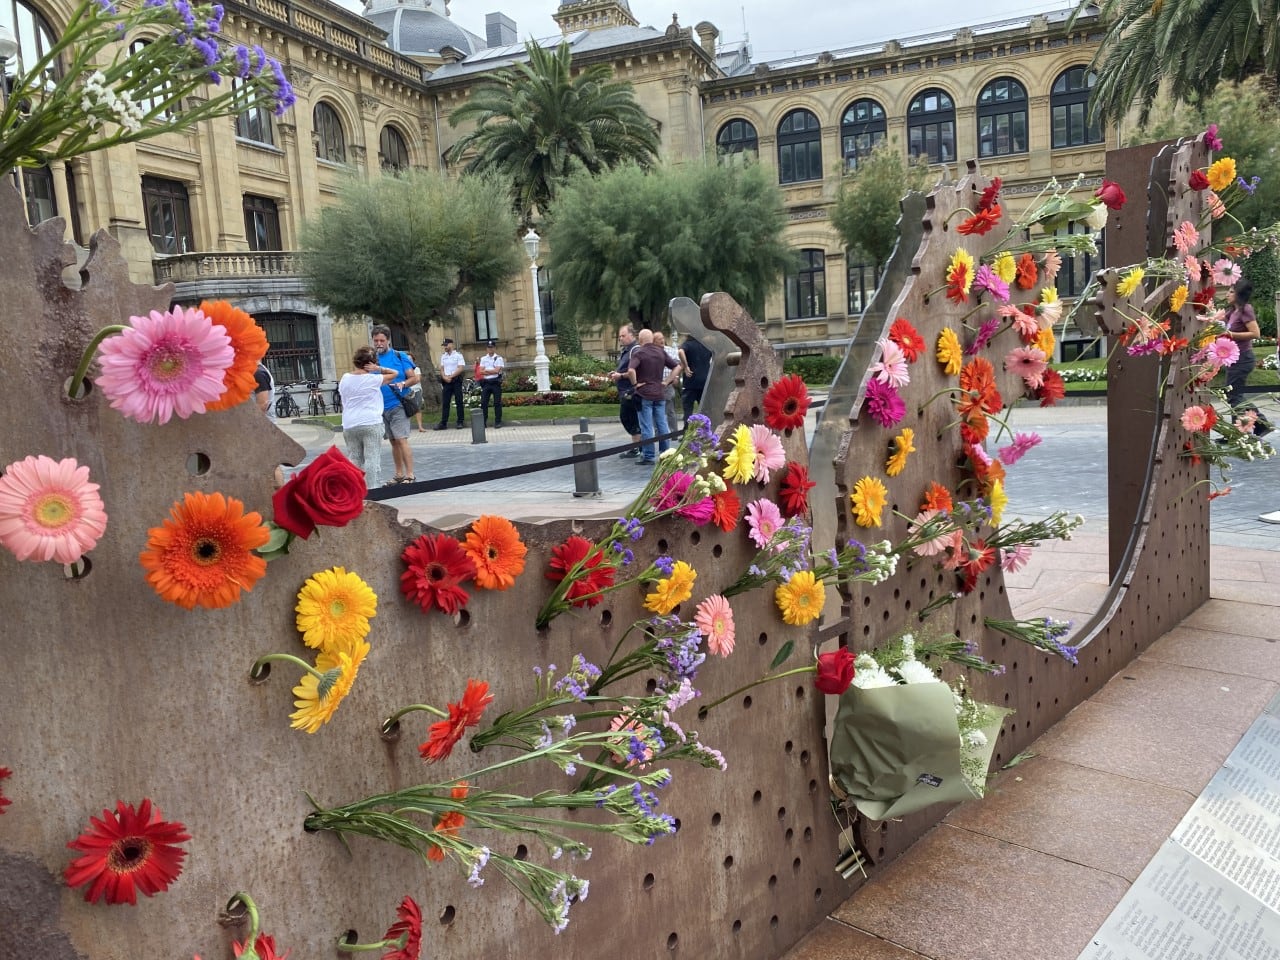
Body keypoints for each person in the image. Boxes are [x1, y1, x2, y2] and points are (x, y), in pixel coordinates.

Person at [340, 347, 400, 488]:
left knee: (354, 458)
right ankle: (372, 490)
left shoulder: (345, 378)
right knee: (371, 459)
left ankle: (354, 489)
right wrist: (378, 368)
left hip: (349, 423)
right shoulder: (373, 379)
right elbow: (395, 373)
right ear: (372, 363)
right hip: (370, 422)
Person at [370, 324, 419, 485]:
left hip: (398, 404)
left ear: (388, 340)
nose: (379, 344)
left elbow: (415, 378)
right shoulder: (372, 360)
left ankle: (410, 474)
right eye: (376, 340)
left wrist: (403, 384)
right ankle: (399, 474)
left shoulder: (399, 356)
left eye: (382, 340)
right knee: (393, 441)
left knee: (401, 439)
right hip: (380, 407)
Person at [627, 328, 680, 466]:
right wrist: (666, 381)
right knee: (662, 424)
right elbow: (677, 367)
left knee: (647, 426)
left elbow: (631, 370)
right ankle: (665, 454)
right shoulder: (661, 352)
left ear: (640, 340)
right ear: (651, 339)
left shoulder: (639, 353)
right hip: (659, 393)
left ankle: (649, 456)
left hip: (644, 394)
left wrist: (635, 384)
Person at [1224, 278, 1260, 414]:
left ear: (1240, 294)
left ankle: (1259, 424)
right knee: (1233, 395)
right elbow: (1217, 320)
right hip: (1234, 359)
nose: (1227, 294)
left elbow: (1255, 333)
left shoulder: (1246, 309)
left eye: (1232, 292)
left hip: (1243, 358)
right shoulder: (1232, 312)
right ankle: (1248, 429)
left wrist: (1230, 335)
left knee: (1234, 396)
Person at [608, 324, 642, 458]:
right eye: (620, 336)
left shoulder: (635, 350)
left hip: (631, 391)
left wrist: (620, 376)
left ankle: (638, 447)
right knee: (628, 418)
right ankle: (637, 447)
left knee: (629, 418)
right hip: (625, 390)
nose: (620, 339)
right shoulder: (627, 351)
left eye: (623, 336)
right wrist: (616, 373)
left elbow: (635, 371)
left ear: (632, 335)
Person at [679, 333, 712, 425]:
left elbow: (680, 352)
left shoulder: (688, 344)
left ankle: (687, 432)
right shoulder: (706, 345)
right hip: (705, 381)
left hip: (690, 382)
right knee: (705, 409)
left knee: (688, 410)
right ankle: (706, 431)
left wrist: (686, 366)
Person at [436, 337, 467, 430]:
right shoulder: (443, 356)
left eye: (446, 345)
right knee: (445, 402)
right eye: (444, 345)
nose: (445, 347)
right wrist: (444, 377)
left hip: (456, 380)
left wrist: (451, 376)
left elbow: (460, 368)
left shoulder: (458, 355)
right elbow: (441, 369)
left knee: (459, 401)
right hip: (447, 381)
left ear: (451, 345)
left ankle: (460, 421)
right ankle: (443, 422)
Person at [654, 331, 680, 431]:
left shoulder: (670, 351)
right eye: (658, 339)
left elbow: (678, 364)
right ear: (654, 341)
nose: (661, 341)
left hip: (668, 384)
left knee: (670, 410)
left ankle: (673, 432)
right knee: (656, 409)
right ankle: (658, 432)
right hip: (656, 384)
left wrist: (676, 377)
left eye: (662, 338)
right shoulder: (652, 353)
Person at [477, 339, 505, 428]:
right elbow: (480, 371)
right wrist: (491, 371)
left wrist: (487, 371)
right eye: (489, 347)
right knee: (483, 403)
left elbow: (497, 371)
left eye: (492, 347)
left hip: (495, 382)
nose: (490, 349)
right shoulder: (483, 359)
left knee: (497, 403)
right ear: (487, 349)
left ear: (495, 348)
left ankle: (498, 421)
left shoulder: (499, 358)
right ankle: (483, 421)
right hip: (486, 383)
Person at [410, 366, 426, 432]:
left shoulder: (416, 369)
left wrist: (407, 382)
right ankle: (407, 427)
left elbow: (418, 379)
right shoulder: (403, 367)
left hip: (416, 390)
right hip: (407, 390)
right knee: (407, 409)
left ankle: (420, 427)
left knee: (418, 408)